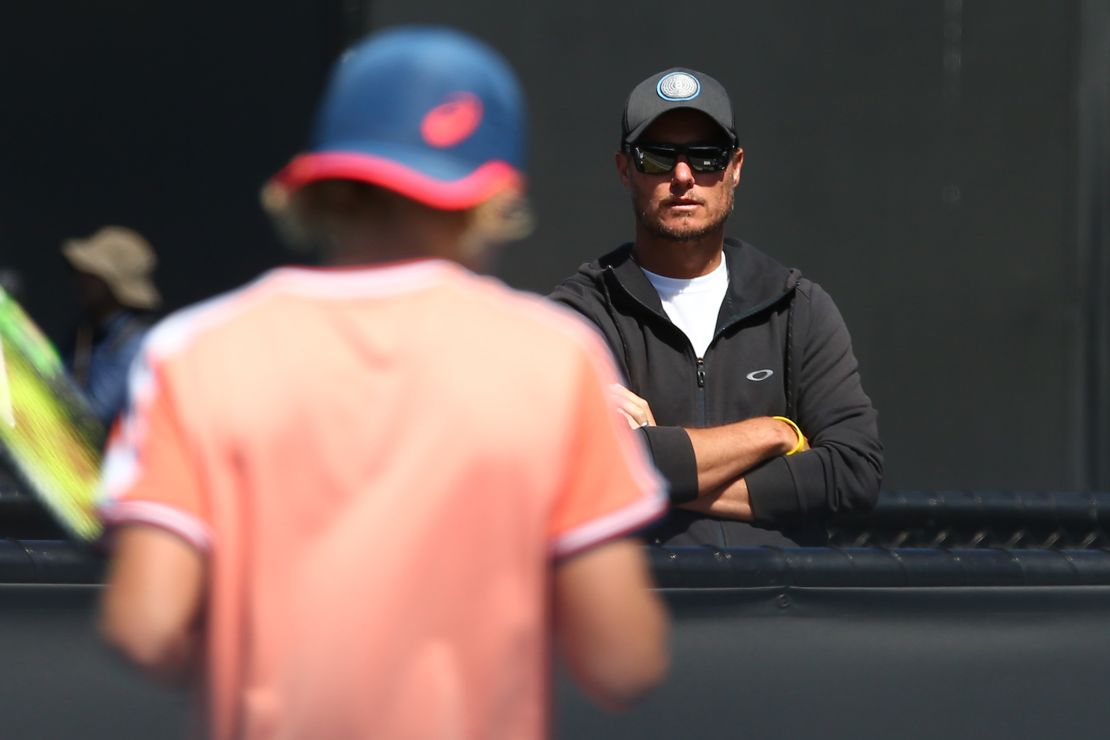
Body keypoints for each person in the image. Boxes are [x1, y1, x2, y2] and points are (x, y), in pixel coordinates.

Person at [97, 27, 669, 740]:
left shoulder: (191, 352)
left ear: (325, 178)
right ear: (496, 194)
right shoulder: (557, 359)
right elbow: (624, 661)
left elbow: (144, 626)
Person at [551, 67, 882, 547]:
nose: (683, 176)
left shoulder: (797, 308)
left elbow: (855, 472)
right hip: (650, 607)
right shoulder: (578, 318)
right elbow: (581, 463)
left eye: (707, 157)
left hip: (781, 609)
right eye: (658, 156)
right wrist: (773, 433)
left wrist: (658, 474)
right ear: (625, 169)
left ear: (736, 167)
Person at [62, 226, 161, 429]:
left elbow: (92, 417)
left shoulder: (135, 346)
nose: (80, 278)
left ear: (110, 284)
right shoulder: (86, 330)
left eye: (91, 274)